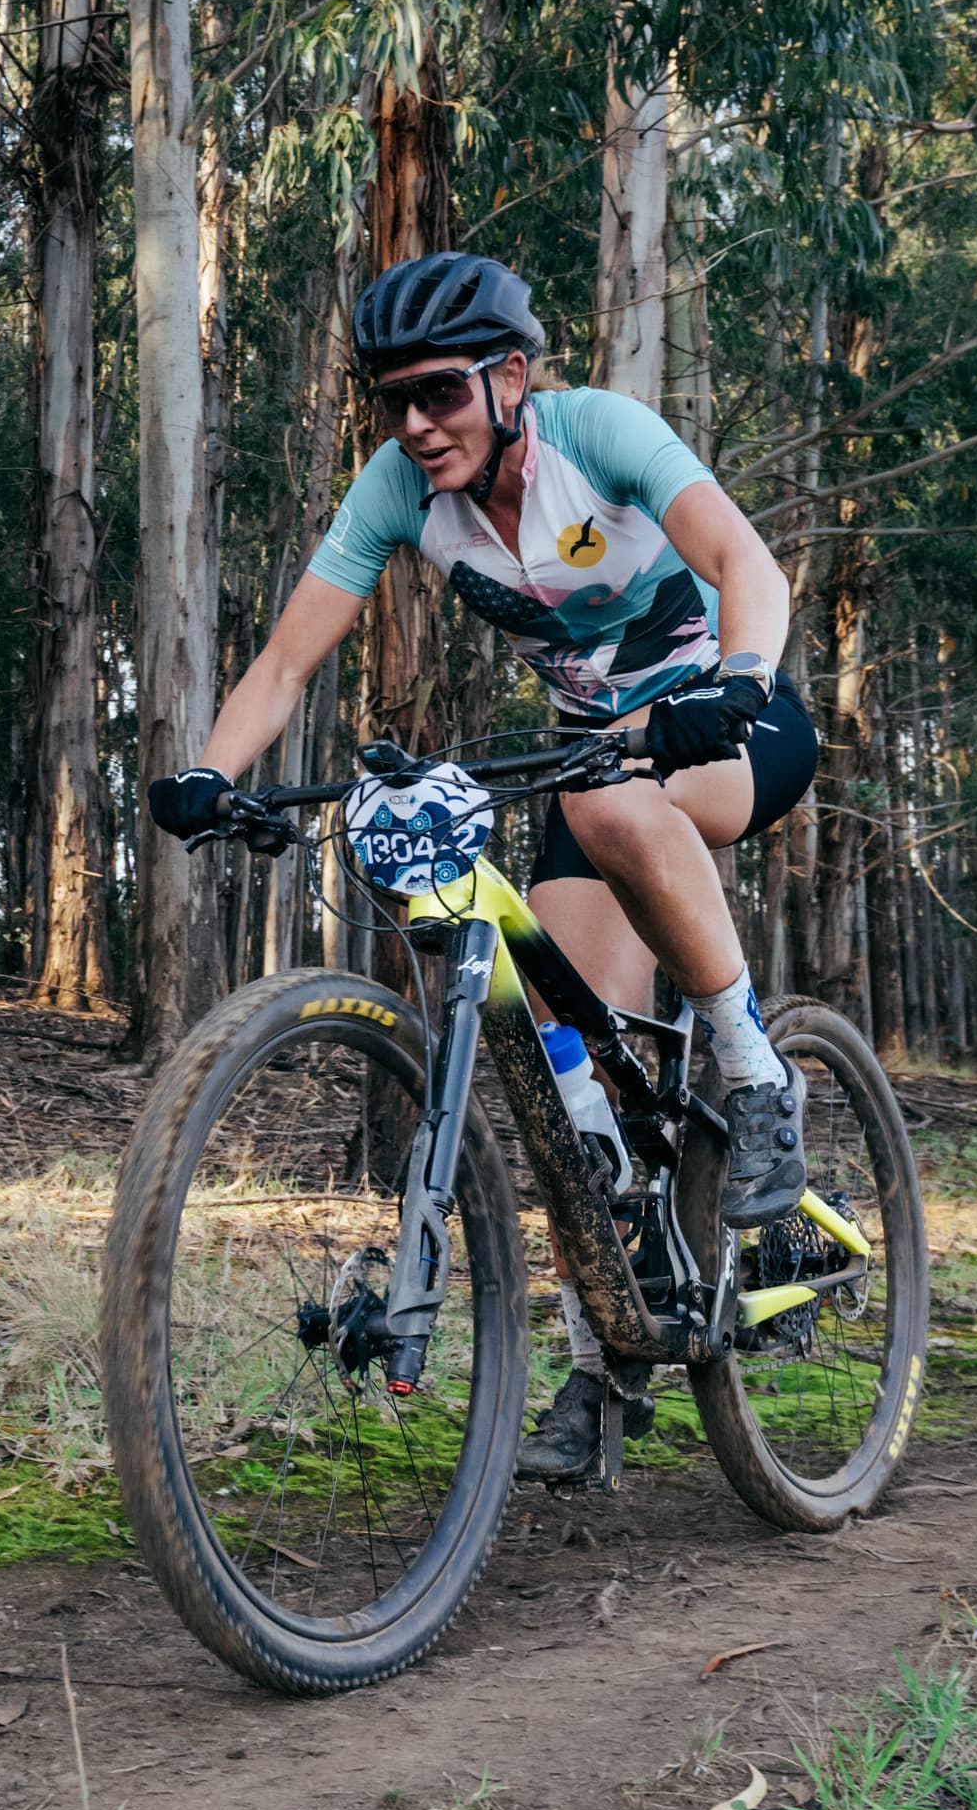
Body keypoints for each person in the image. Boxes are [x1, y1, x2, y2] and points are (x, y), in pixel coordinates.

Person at [145, 251, 819, 1481]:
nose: (416, 423)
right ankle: (605, 1365)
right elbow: (288, 663)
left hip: (729, 724)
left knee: (606, 804)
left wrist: (736, 683)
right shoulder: (399, 489)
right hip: (595, 764)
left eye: (441, 392)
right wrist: (210, 773)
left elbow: (747, 566)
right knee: (571, 1086)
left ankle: (756, 1070)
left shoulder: (596, 434)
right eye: (392, 399)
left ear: (511, 379)